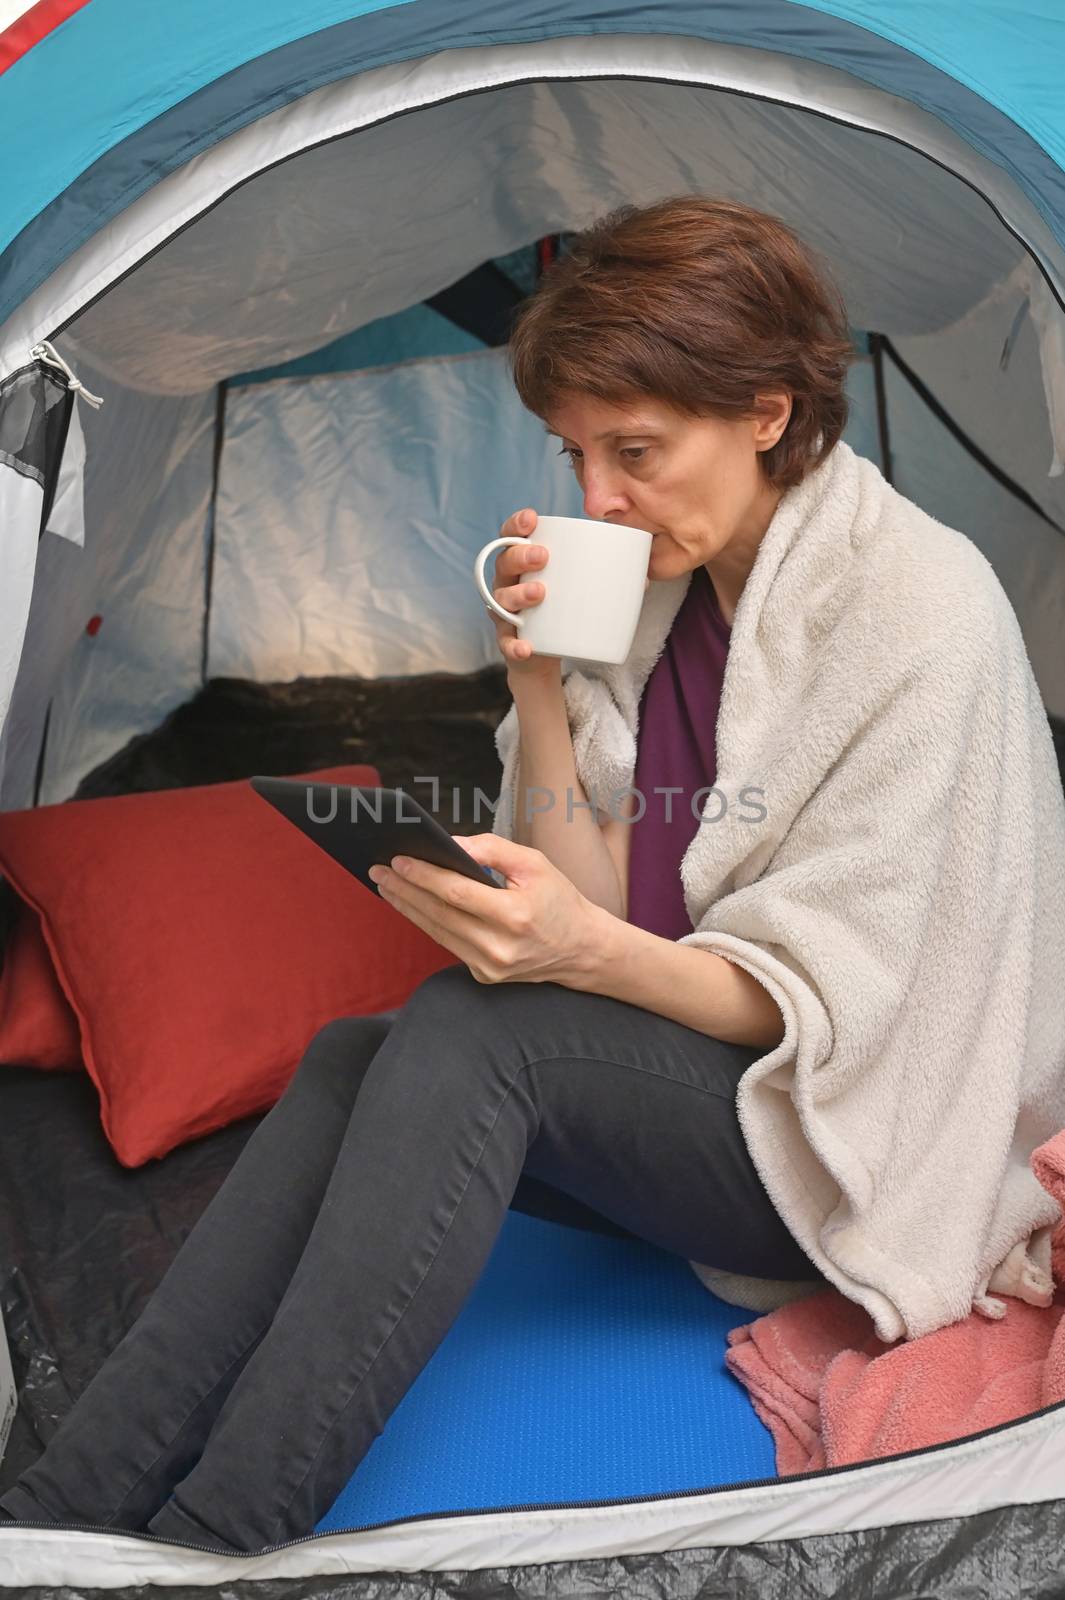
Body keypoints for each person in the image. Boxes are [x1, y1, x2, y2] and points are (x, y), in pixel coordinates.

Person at [0, 194, 925, 1550]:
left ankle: (224, 1528)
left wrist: (575, 957)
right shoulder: (665, 600)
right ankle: (71, 1497)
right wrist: (538, 684)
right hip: (696, 1074)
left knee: (479, 1038)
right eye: (575, 455)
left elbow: (844, 1008)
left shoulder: (909, 606)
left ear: (769, 412)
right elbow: (601, 890)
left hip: (843, 1138)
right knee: (352, 1056)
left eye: (635, 452)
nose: (595, 499)